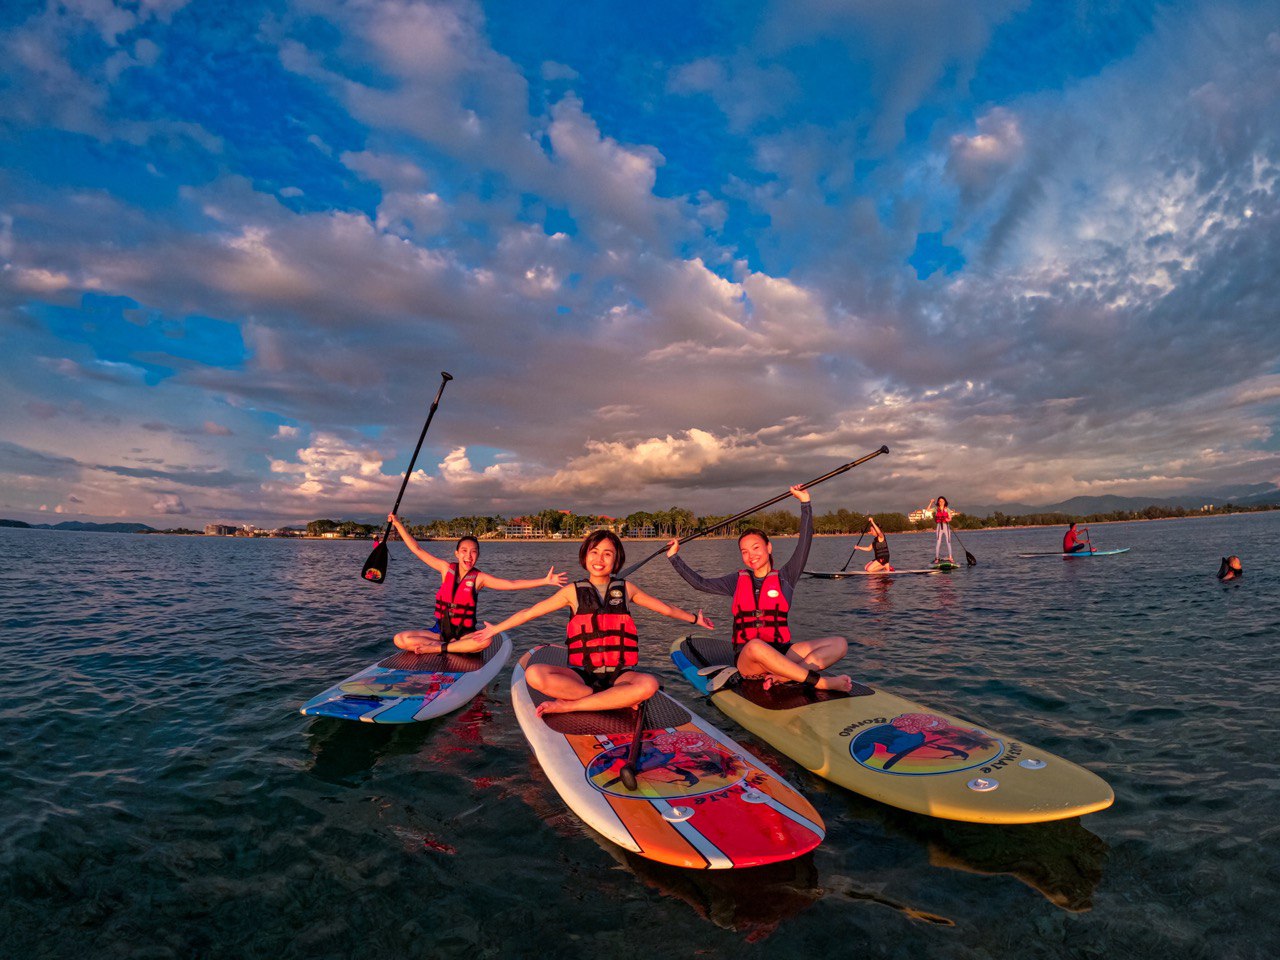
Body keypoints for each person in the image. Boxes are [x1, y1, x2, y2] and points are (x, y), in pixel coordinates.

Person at [463, 530, 713, 716]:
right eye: (594, 552)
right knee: (534, 674)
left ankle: (572, 706)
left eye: (607, 554)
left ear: (616, 561)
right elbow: (530, 612)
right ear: (585, 556)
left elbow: (665, 609)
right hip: (581, 678)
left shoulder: (627, 589)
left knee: (648, 684)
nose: (600, 558)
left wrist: (695, 618)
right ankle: (608, 700)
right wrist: (496, 629)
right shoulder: (572, 592)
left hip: (620, 676)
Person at [666, 485, 852, 693]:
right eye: (744, 551)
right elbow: (699, 583)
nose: (750, 555)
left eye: (756, 548)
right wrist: (674, 557)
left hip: (781, 653)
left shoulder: (786, 577)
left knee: (839, 644)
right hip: (750, 661)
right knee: (755, 645)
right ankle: (820, 682)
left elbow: (804, 543)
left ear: (768, 547)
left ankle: (781, 677)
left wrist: (805, 503)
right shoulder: (735, 581)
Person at [386, 513, 567, 655]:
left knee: (485, 641)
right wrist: (398, 524)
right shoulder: (444, 568)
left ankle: (439, 649)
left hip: (466, 634)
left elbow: (512, 583)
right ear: (456, 553)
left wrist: (545, 581)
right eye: (464, 551)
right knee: (400, 639)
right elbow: (417, 549)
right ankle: (448, 646)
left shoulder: (480, 579)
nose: (469, 556)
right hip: (439, 632)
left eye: (474, 552)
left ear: (478, 555)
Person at [925, 496, 955, 564]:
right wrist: (931, 502)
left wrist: (948, 519)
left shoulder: (947, 509)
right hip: (939, 526)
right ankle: (937, 558)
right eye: (940, 501)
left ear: (945, 502)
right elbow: (927, 510)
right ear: (938, 502)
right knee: (938, 542)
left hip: (946, 526)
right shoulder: (936, 508)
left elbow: (950, 518)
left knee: (948, 542)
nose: (941, 502)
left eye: (942, 501)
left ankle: (950, 557)